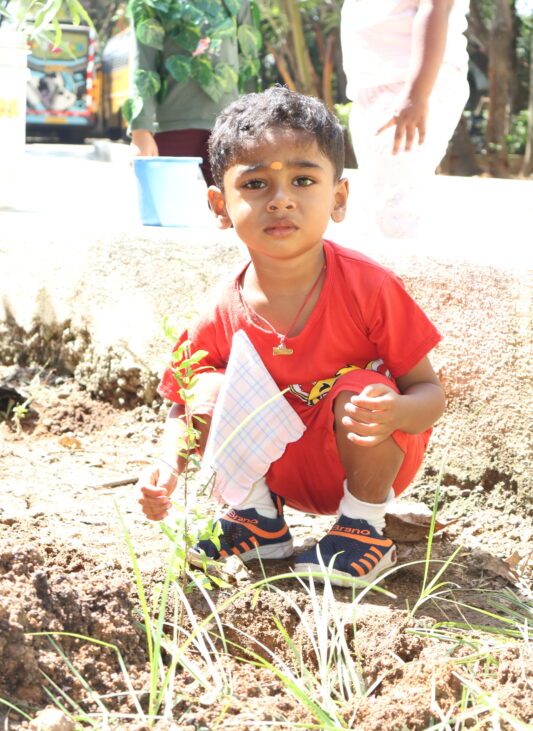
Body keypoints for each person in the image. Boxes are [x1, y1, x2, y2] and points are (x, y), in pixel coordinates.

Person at [137, 87, 446, 586]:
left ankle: (362, 529)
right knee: (206, 385)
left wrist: (396, 412)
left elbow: (430, 393)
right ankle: (256, 519)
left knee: (360, 389)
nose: (281, 200)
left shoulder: (369, 288)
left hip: (362, 457)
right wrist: (166, 465)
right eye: (255, 184)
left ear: (338, 198)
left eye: (303, 180)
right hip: (275, 468)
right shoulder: (221, 307)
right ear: (220, 205)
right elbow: (182, 403)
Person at [341, 0, 470, 238]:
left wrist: (416, 94)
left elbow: (436, 6)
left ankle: (404, 261)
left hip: (407, 83)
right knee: (377, 201)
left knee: (395, 207)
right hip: (379, 84)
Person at [129, 1, 252, 186]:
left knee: (231, 203)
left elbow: (248, 61)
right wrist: (140, 130)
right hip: (171, 125)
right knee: (167, 203)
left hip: (229, 127)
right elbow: (143, 64)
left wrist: (254, 125)